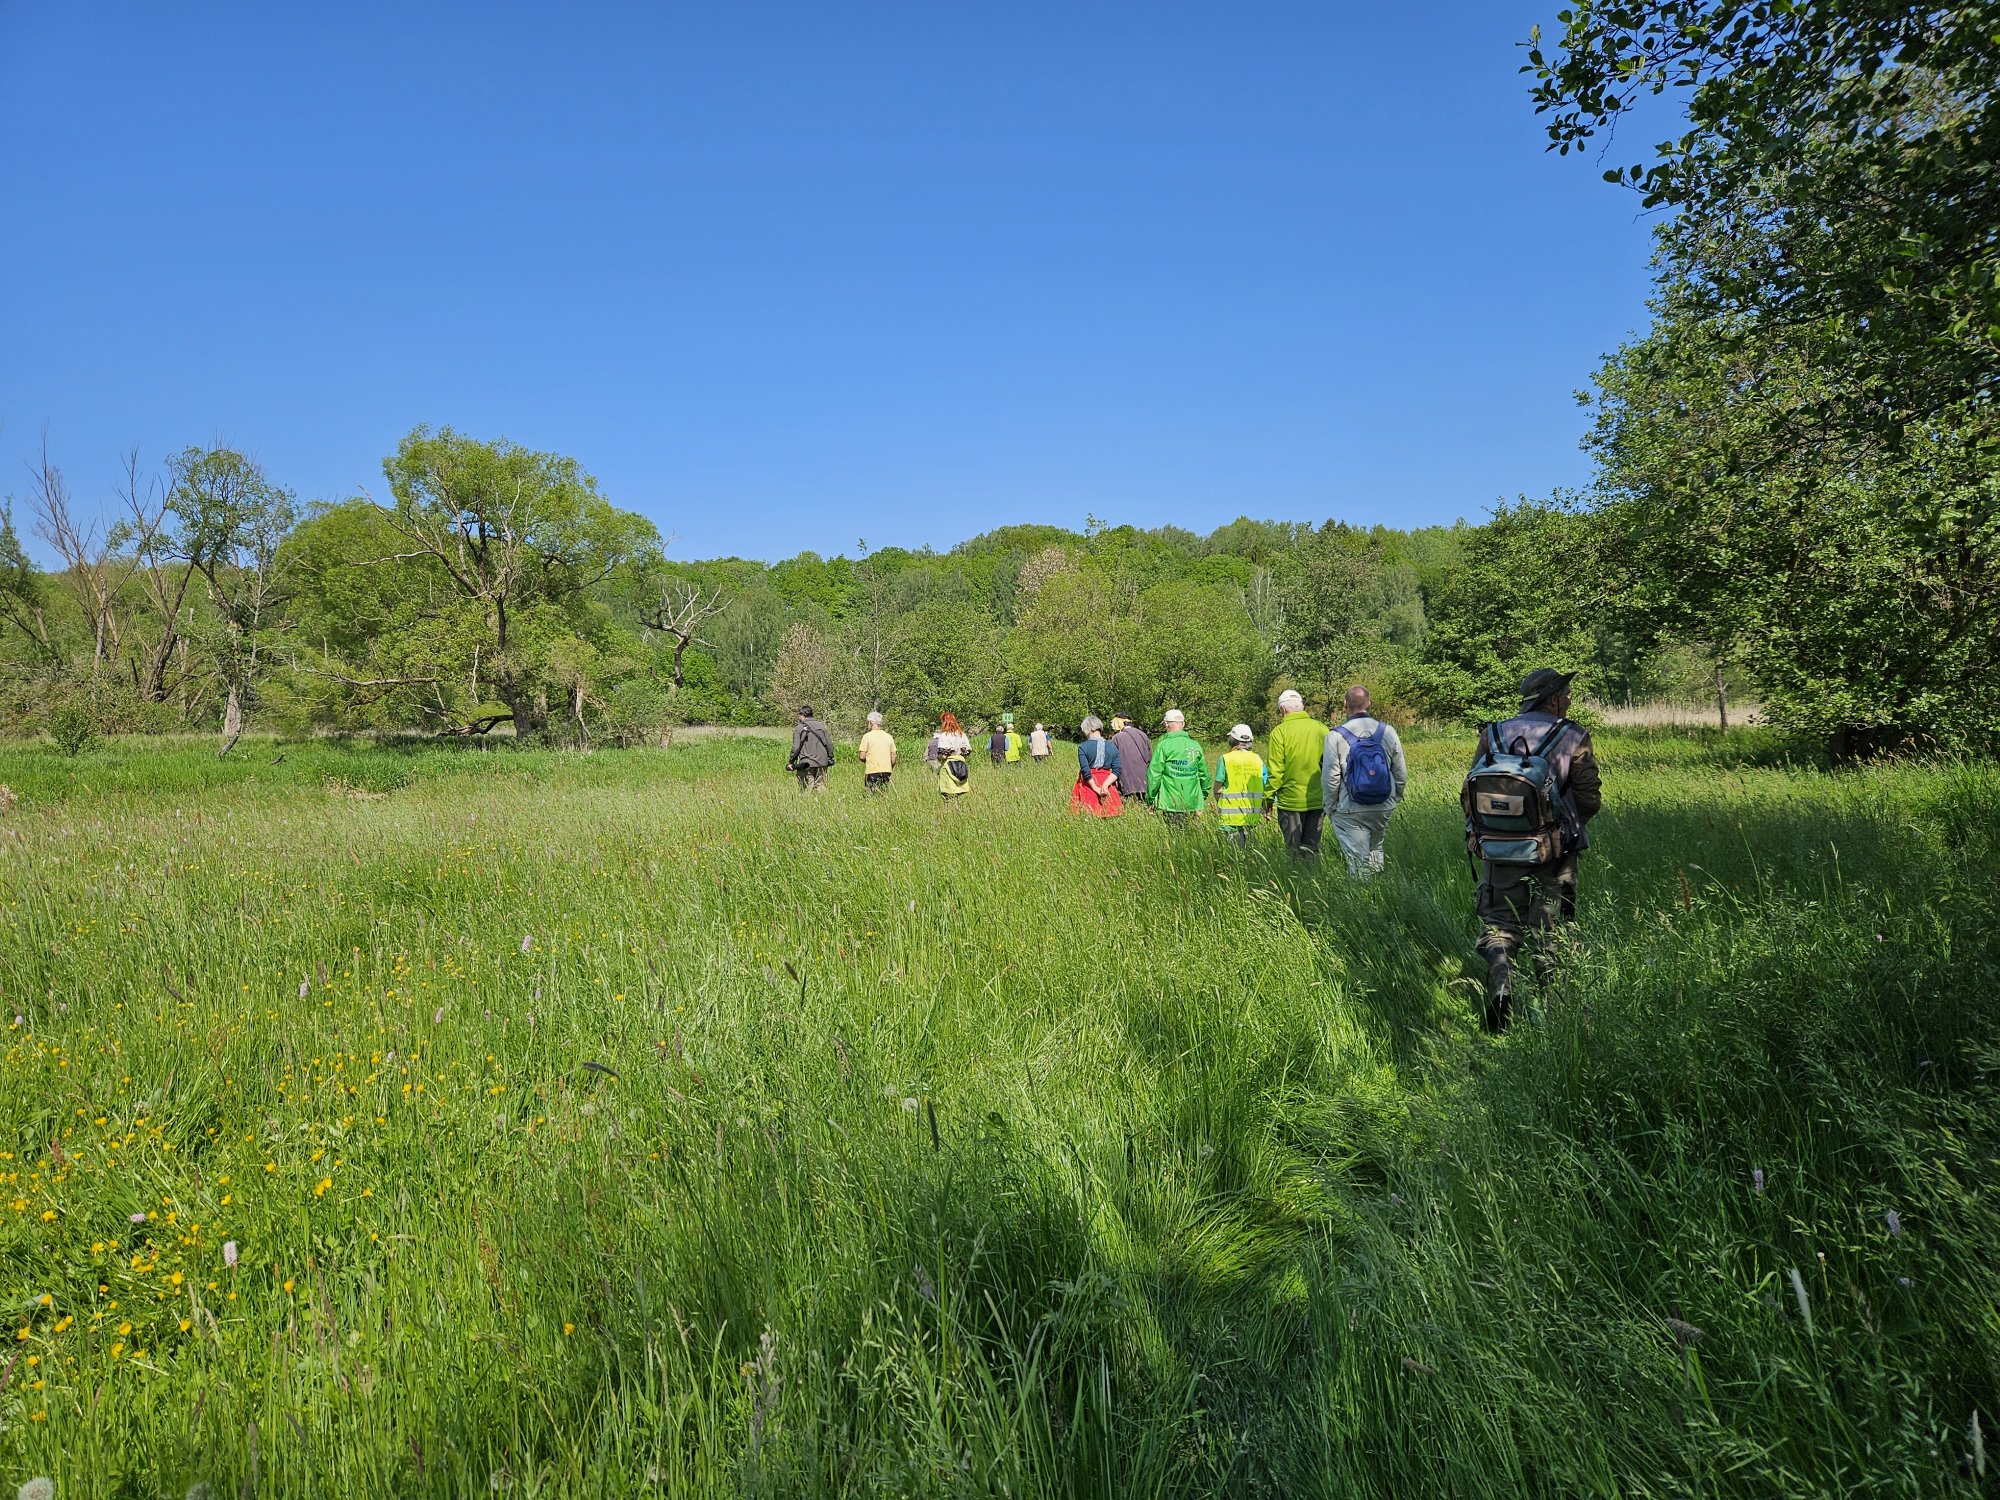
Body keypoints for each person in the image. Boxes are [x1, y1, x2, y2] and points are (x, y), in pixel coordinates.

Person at [1464, 667, 1603, 1033]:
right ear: (1554, 699)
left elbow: (1470, 794)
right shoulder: (1574, 735)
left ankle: (1501, 987)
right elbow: (1589, 799)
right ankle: (1551, 1008)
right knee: (1551, 926)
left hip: (1497, 849)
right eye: (1567, 695)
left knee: (1499, 923)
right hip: (1555, 853)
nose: (1570, 700)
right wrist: (1558, 827)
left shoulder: (1492, 733)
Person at [1323, 685, 1408, 878]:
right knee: (1375, 851)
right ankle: (1380, 892)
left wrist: (1331, 806)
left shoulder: (1335, 736)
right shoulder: (1388, 732)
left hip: (1351, 808)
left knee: (1358, 864)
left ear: (1345, 704)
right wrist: (1395, 798)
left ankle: (1365, 902)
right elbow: (1400, 771)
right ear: (1369, 703)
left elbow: (1331, 776)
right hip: (1383, 805)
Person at [1264, 688, 1329, 857]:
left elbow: (1276, 771)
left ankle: (1296, 880)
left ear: (1283, 710)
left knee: (1293, 851)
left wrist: (1268, 798)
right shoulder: (1322, 729)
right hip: (1318, 799)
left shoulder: (1279, 732)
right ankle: (1313, 880)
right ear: (1302, 707)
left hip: (1290, 802)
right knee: (1311, 850)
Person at [1147, 710, 1208, 828]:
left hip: (1170, 802)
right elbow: (1204, 775)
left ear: (1166, 724)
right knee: (1191, 838)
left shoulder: (1163, 746)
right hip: (1193, 801)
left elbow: (1155, 775)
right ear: (1183, 724)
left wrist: (1151, 799)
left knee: (1174, 837)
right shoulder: (1195, 745)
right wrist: (1201, 798)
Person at [1211, 723, 1269, 847]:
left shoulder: (1226, 759)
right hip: (1252, 817)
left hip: (1230, 818)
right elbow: (1265, 786)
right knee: (1251, 855)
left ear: (1232, 741)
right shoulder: (1258, 760)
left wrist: (1220, 802)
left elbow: (1217, 789)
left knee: (1233, 858)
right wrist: (1266, 808)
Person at [1070, 715, 1123, 816]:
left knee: (1088, 817)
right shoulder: (1112, 747)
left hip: (1088, 786)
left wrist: (1096, 788)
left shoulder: (1083, 747)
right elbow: (1117, 770)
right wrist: (1105, 785)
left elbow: (1086, 771)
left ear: (1087, 729)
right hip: (1108, 786)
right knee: (1111, 817)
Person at [787, 704, 834, 791]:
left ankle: (806, 804)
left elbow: (796, 747)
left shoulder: (799, 728)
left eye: (799, 715)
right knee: (821, 788)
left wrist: (791, 761)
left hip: (806, 763)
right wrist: (830, 757)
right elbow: (829, 744)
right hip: (822, 762)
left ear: (802, 715)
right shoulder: (822, 726)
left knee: (806, 789)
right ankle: (823, 803)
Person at [1110, 714, 1152, 805]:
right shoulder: (1143, 735)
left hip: (1125, 782)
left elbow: (1112, 761)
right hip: (1144, 781)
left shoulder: (1116, 738)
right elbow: (1149, 758)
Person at [857, 710, 897, 793]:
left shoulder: (867, 737)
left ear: (871, 723)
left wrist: (867, 760)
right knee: (883, 793)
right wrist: (890, 767)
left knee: (871, 794)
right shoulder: (889, 736)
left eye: (868, 723)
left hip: (872, 771)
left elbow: (862, 756)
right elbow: (893, 757)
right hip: (886, 771)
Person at [936, 711, 971, 800]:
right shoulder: (962, 734)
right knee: (957, 794)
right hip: (961, 763)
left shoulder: (944, 736)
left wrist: (938, 757)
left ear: (945, 722)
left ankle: (948, 812)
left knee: (947, 795)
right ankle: (957, 810)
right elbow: (967, 752)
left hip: (948, 765)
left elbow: (943, 755)